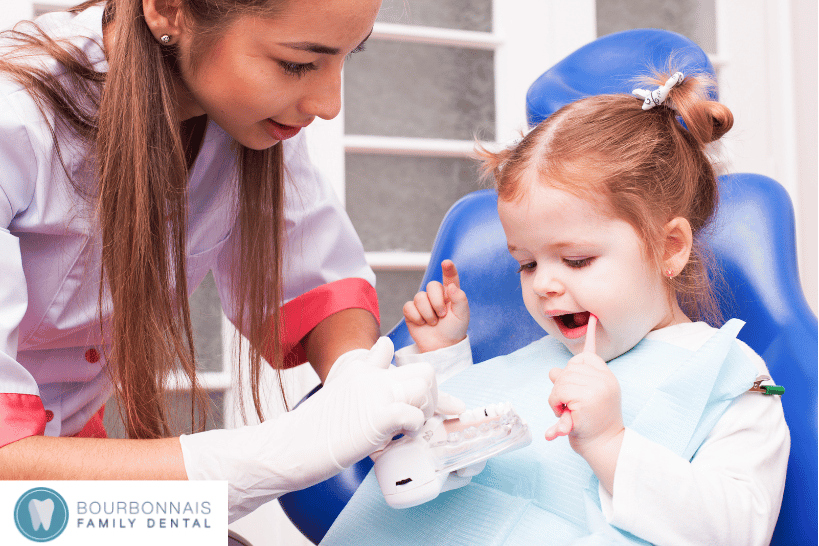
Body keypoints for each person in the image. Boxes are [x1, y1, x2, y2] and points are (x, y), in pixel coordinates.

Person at [0, 0, 462, 522]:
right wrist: (275, 457)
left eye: (346, 56)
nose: (329, 105)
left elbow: (319, 281)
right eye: (296, 64)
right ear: (168, 10)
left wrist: (358, 378)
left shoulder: (243, 115)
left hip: (65, 475)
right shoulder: (13, 121)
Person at [322, 70, 790, 545]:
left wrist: (610, 442)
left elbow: (737, 530)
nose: (544, 284)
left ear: (670, 247)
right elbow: (463, 463)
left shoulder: (730, 377)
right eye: (526, 264)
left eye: (576, 260)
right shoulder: (543, 358)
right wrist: (444, 360)